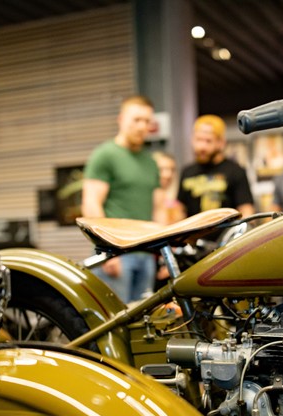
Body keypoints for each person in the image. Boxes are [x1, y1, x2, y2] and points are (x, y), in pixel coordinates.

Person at [81, 95, 164, 303]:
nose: (142, 126)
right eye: (136, 120)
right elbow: (91, 204)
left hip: (146, 255)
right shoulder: (105, 155)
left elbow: (158, 208)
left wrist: (163, 251)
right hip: (116, 255)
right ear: (121, 119)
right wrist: (107, 251)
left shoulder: (150, 161)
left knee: (143, 318)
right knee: (115, 316)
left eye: (147, 121)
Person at [177, 114, 254, 218]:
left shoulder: (236, 171)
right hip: (195, 229)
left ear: (221, 143)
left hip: (228, 228)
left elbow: (246, 210)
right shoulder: (187, 172)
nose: (202, 147)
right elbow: (180, 209)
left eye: (208, 141)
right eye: (198, 140)